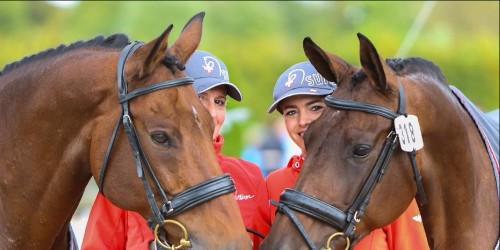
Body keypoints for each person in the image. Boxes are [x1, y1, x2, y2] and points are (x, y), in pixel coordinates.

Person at [81, 50, 271, 250]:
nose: (213, 113)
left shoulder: (251, 176)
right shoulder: (131, 175)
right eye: (200, 98)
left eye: (219, 102)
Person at [265, 61, 429, 249]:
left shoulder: (381, 175)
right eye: (291, 112)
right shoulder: (273, 184)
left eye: (316, 107)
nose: (303, 121)